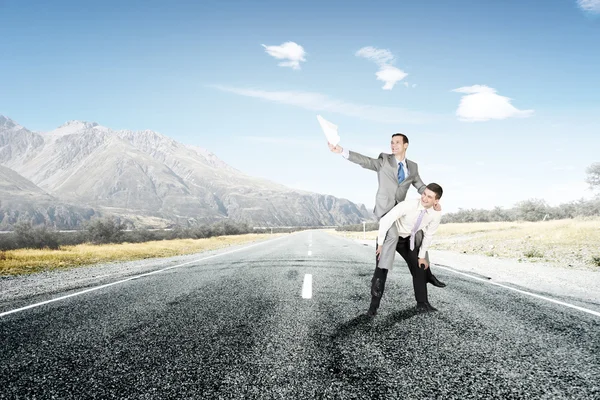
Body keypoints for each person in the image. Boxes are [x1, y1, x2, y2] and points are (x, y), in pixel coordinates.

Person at [328, 133, 445, 288]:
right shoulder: (384, 160)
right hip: (385, 210)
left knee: (419, 237)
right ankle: (378, 278)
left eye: (397, 142)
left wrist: (434, 201)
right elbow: (365, 161)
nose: (393, 145)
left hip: (399, 211)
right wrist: (342, 151)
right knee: (392, 237)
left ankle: (427, 274)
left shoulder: (413, 167)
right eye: (391, 142)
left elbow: (421, 186)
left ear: (406, 145)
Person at [370, 183, 444, 315]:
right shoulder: (408, 205)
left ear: (436, 201)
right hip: (389, 239)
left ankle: (422, 303)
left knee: (420, 266)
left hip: (407, 240)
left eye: (429, 197)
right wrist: (380, 244)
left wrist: (421, 256)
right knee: (381, 269)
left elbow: (429, 235)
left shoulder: (435, 214)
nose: (425, 198)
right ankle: (373, 307)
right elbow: (386, 220)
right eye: (424, 194)